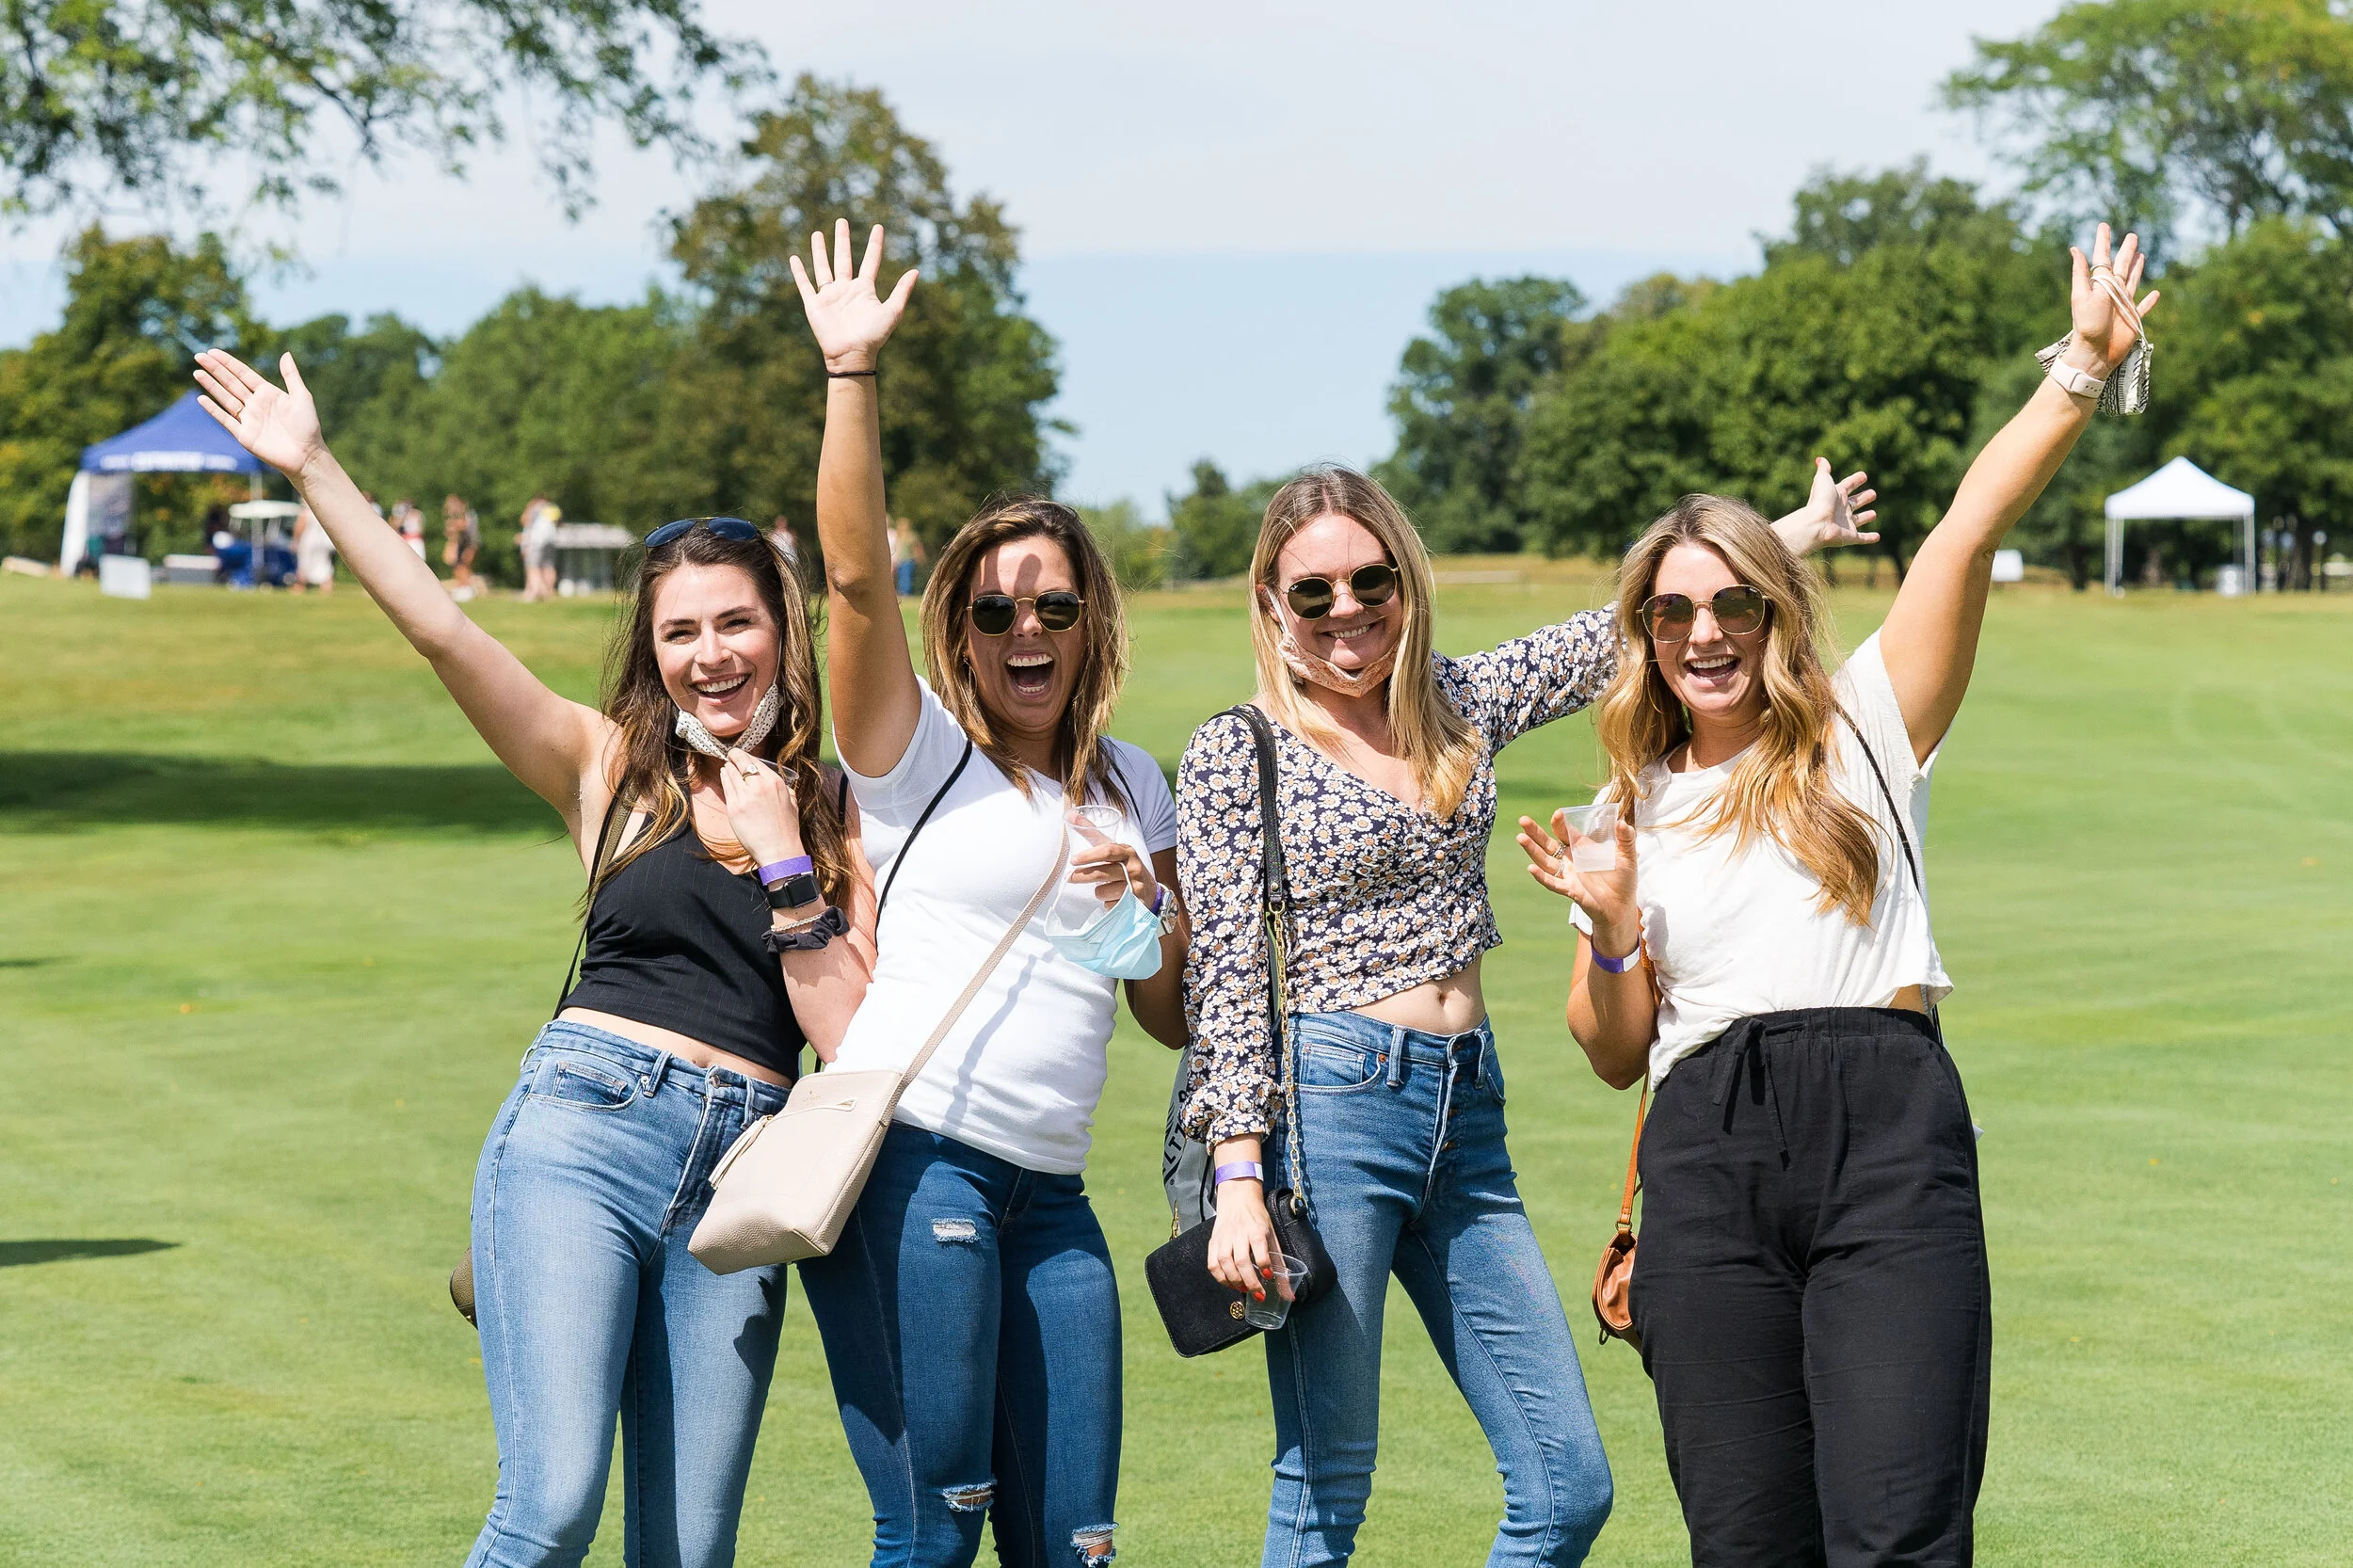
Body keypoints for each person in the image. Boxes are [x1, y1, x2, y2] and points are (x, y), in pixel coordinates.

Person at [1514, 224, 2157, 1568]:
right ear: (1644, 630)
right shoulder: (1627, 803)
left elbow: (1968, 529)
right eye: (1675, 609)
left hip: (1886, 1130)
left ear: (1776, 610)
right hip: (1706, 1153)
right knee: (1748, 1540)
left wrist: (2081, 371)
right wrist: (1617, 928)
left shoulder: (1867, 721)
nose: (1706, 631)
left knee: (1899, 1527)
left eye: (1736, 601)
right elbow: (1609, 1050)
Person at [192, 344, 882, 1568]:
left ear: (783, 631)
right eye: (682, 631)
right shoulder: (604, 762)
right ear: (652, 648)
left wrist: (784, 860)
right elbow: (443, 630)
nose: (712, 653)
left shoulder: (839, 808)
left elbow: (851, 1036)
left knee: (687, 1551)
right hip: (586, 1127)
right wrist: (315, 468)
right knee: (551, 1505)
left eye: (736, 621)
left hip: (744, 1182)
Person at [1179, 459, 1874, 1568]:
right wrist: (1238, 1179)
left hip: (1466, 1111)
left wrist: (1786, 535)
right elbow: (1222, 975)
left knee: (1566, 1487)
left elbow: (1614, 632)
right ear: (1270, 602)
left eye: (1372, 581)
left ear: (1405, 581)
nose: (1347, 611)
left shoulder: (1453, 701)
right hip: (1328, 1107)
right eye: (1312, 592)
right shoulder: (1238, 750)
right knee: (1326, 1484)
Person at [790, 220, 1190, 1568]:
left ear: (1093, 627)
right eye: (998, 610)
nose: (1029, 632)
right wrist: (853, 375)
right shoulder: (916, 757)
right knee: (934, 1535)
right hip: (918, 1163)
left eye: (1057, 609)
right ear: (957, 626)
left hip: (1055, 1200)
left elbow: (1166, 1015)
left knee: (1073, 1545)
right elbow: (851, 577)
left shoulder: (1136, 779)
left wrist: (1152, 902)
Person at [292, 504, 334, 595]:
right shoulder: (322, 513)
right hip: (322, 541)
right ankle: (326, 585)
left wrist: (295, 540)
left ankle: (300, 585)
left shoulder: (305, 512)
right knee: (324, 562)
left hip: (308, 540)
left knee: (304, 562)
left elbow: (299, 527)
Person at [443, 493, 482, 592]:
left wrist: (452, 526)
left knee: (463, 564)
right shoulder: (460, 515)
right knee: (458, 565)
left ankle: (466, 587)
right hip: (463, 543)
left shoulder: (466, 514)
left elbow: (463, 527)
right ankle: (462, 586)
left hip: (470, 543)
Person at [889, 515, 927, 597]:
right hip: (900, 560)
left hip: (908, 560)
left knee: (906, 577)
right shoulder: (898, 536)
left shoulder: (911, 536)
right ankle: (901, 592)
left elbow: (917, 548)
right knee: (900, 578)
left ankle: (906, 593)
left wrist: (919, 557)